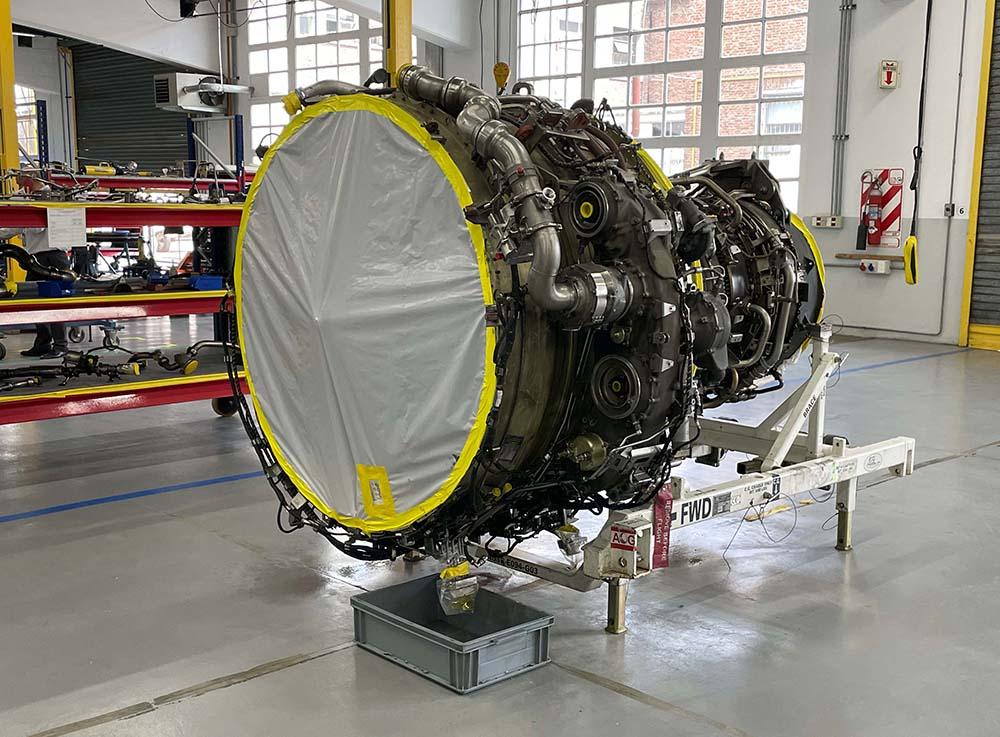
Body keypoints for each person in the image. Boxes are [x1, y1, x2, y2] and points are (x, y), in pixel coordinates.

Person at [0, 226, 71, 358]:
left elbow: (37, 227)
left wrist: (21, 223)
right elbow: (12, 229)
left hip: (53, 256)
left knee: (55, 303)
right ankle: (42, 345)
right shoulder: (25, 217)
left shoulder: (38, 214)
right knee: (35, 302)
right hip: (35, 258)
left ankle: (60, 346)